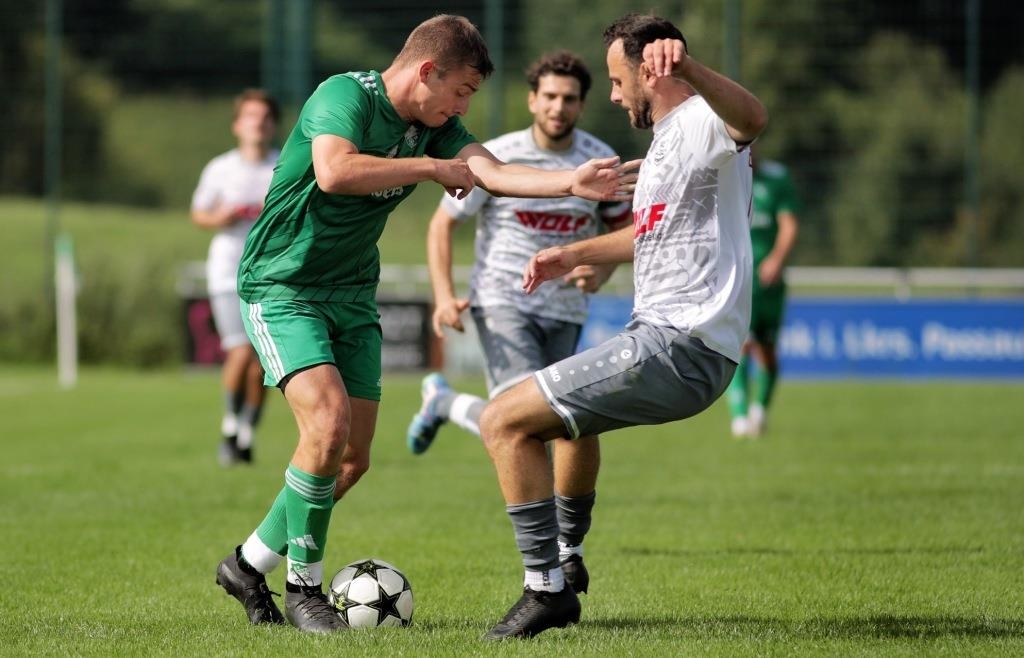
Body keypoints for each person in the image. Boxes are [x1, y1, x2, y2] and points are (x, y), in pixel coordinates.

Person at [212, 14, 638, 634]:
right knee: (326, 426)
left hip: (353, 294)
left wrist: (567, 182)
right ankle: (304, 588)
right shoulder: (344, 97)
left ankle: (248, 563)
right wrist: (432, 170)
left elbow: (488, 170)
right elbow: (336, 171)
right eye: (462, 91)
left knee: (351, 460)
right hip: (284, 286)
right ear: (427, 72)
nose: (464, 105)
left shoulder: (432, 124)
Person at [477, 12, 768, 640]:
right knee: (560, 424)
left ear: (649, 68)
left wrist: (687, 66)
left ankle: (546, 589)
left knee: (501, 419)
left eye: (615, 79)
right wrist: (571, 254)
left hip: (680, 342)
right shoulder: (666, 142)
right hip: (666, 340)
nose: (610, 95)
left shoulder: (700, 120)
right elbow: (650, 233)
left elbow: (752, 120)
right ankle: (566, 561)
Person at [404, 50, 632, 594]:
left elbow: (626, 236)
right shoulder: (498, 158)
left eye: (569, 98)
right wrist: (443, 294)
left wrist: (595, 276)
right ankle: (552, 564)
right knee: (528, 421)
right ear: (533, 99)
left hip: (565, 311)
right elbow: (442, 226)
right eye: (549, 96)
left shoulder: (601, 161)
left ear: (581, 103)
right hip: (503, 304)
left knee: (574, 422)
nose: (558, 107)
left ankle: (445, 404)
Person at [191, 89, 281, 465]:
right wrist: (222, 217)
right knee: (241, 350)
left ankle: (246, 433)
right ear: (237, 125)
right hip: (229, 271)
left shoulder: (284, 164)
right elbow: (199, 214)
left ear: (273, 125)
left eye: (263, 117)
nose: (257, 124)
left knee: (264, 361)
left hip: (272, 273)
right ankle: (230, 427)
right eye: (250, 117)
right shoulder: (220, 168)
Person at [726, 150, 800, 438]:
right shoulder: (725, 175)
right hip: (739, 279)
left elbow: (789, 223)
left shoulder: (776, 178)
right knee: (742, 344)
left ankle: (760, 411)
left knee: (767, 351)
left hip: (770, 282)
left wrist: (777, 259)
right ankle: (740, 417)